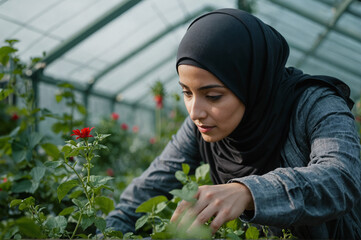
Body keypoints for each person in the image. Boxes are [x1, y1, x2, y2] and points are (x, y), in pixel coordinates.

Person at [105, 8, 361, 239]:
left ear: (250, 84)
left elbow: (342, 178)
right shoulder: (201, 125)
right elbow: (149, 187)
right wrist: (105, 232)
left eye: (213, 96)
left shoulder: (315, 105)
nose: (195, 112)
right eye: (187, 92)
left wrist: (247, 192)